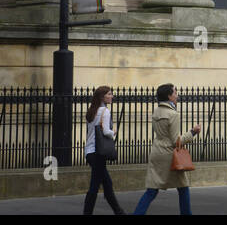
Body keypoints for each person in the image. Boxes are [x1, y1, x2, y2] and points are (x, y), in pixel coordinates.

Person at [133, 83, 201, 215]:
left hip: (156, 152)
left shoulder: (157, 111)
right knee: (183, 187)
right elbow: (176, 141)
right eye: (175, 93)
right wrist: (193, 132)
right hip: (169, 155)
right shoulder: (173, 114)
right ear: (169, 96)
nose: (177, 95)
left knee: (152, 189)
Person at [83, 85, 125, 214]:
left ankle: (119, 212)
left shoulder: (91, 111)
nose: (112, 96)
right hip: (98, 153)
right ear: (102, 97)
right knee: (97, 186)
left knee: (104, 184)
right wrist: (114, 132)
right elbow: (106, 132)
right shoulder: (105, 111)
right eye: (109, 94)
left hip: (90, 152)